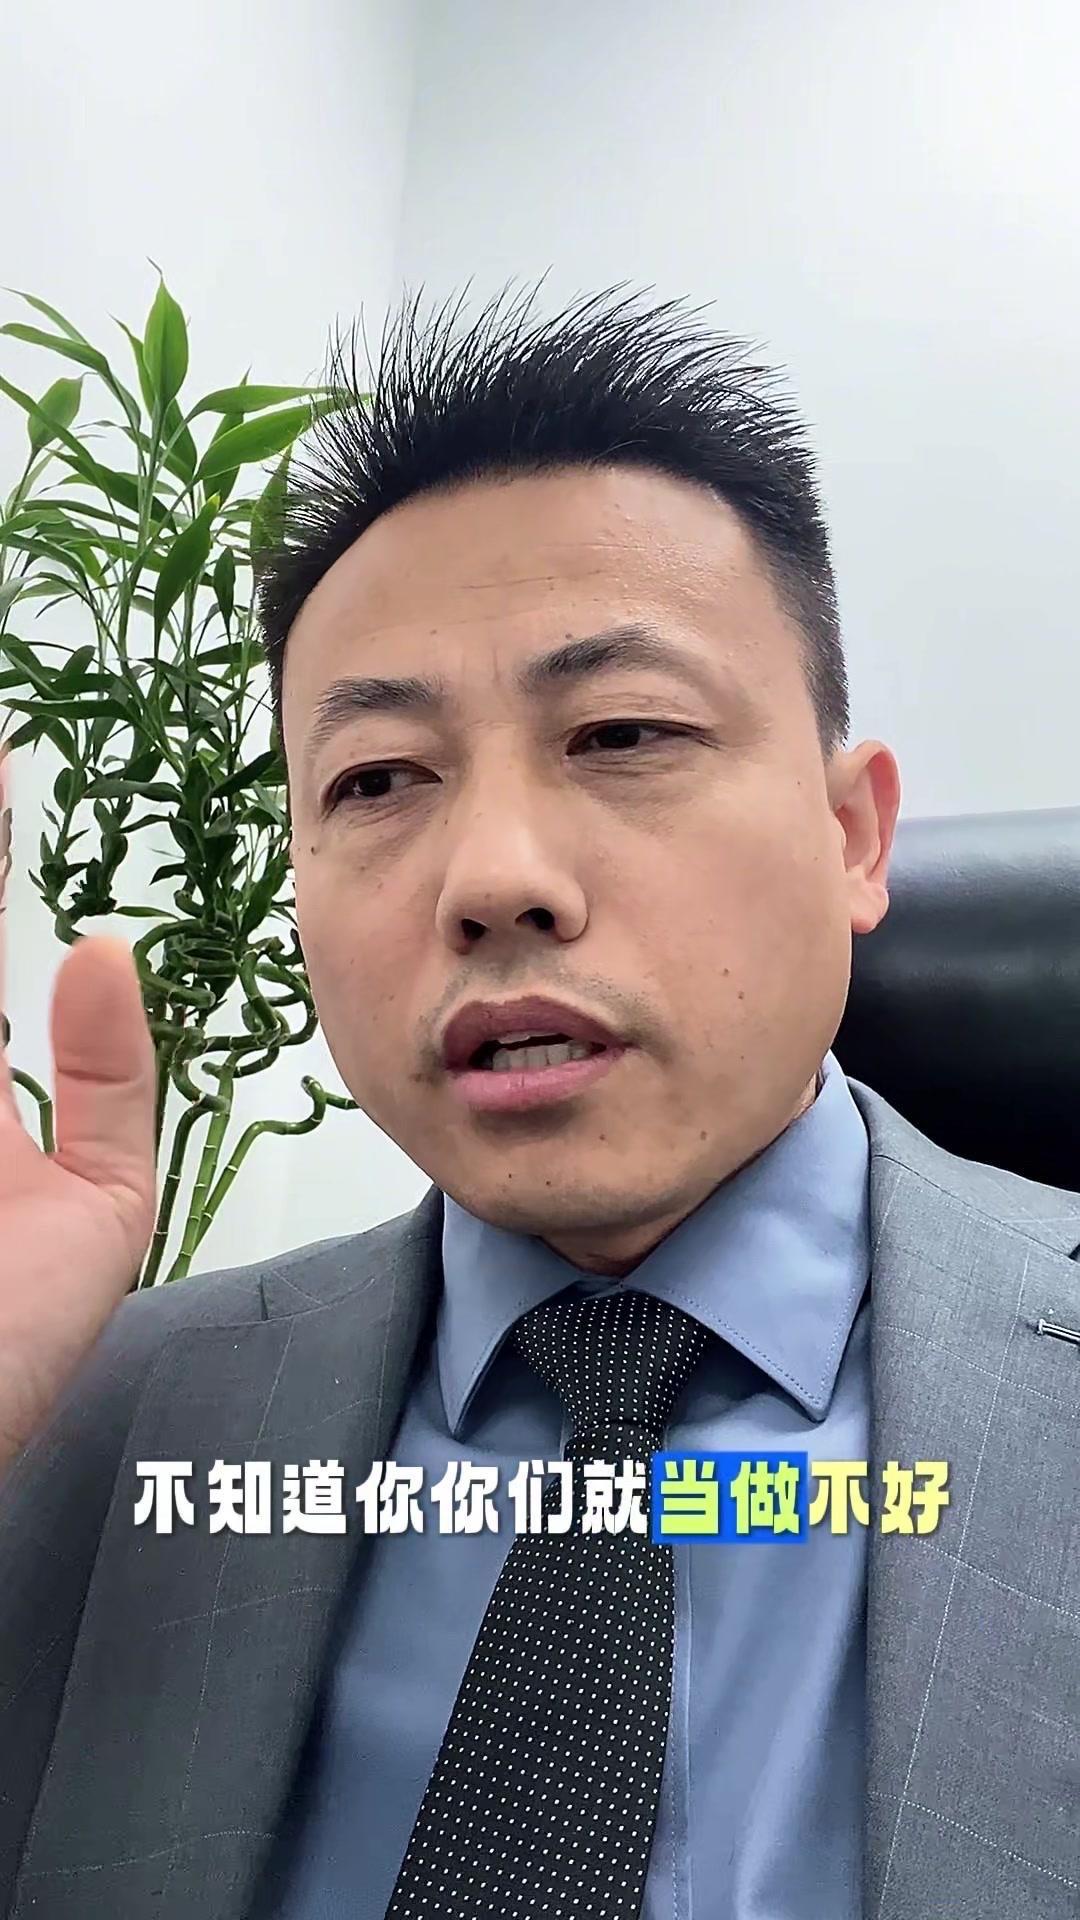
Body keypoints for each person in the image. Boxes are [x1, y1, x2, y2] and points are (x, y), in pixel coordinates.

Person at [0, 286, 1077, 1920]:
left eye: (622, 731)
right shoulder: (102, 1413)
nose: (494, 877)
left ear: (853, 836)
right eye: (378, 779)